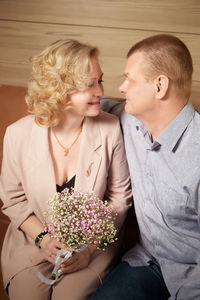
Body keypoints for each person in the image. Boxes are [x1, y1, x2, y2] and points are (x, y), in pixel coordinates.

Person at [0, 39, 132, 300]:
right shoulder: (17, 134)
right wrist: (45, 240)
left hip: (93, 247)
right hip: (31, 243)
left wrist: (89, 249)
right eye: (89, 84)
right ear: (58, 90)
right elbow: (13, 200)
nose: (101, 91)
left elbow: (119, 200)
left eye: (100, 80)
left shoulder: (110, 128)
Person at [89, 34, 200, 300]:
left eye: (130, 78)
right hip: (145, 261)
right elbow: (91, 104)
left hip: (193, 276)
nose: (122, 87)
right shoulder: (127, 119)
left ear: (160, 86)